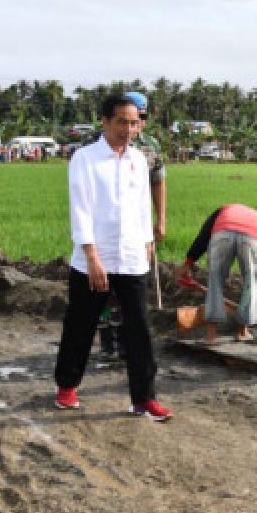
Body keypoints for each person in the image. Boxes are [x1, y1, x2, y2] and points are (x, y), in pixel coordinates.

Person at [53, 94, 171, 421]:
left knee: (139, 329)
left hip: (132, 256)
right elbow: (81, 209)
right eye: (121, 122)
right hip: (95, 258)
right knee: (81, 325)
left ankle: (144, 398)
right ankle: (66, 387)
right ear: (104, 122)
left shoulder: (137, 159)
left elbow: (141, 206)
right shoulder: (85, 159)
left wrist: (147, 242)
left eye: (134, 123)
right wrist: (91, 255)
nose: (128, 129)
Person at [94, 91, 166, 359]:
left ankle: (126, 342)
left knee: (129, 289)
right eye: (125, 120)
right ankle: (106, 341)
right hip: (104, 230)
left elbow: (158, 182)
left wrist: (159, 221)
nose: (135, 125)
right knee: (104, 288)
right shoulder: (100, 145)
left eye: (140, 118)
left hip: (135, 228)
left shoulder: (149, 149)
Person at [177, 204, 257, 343]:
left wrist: (187, 264)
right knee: (251, 283)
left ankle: (211, 336)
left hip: (222, 234)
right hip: (252, 237)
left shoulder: (222, 212)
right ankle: (242, 332)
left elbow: (204, 236)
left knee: (215, 280)